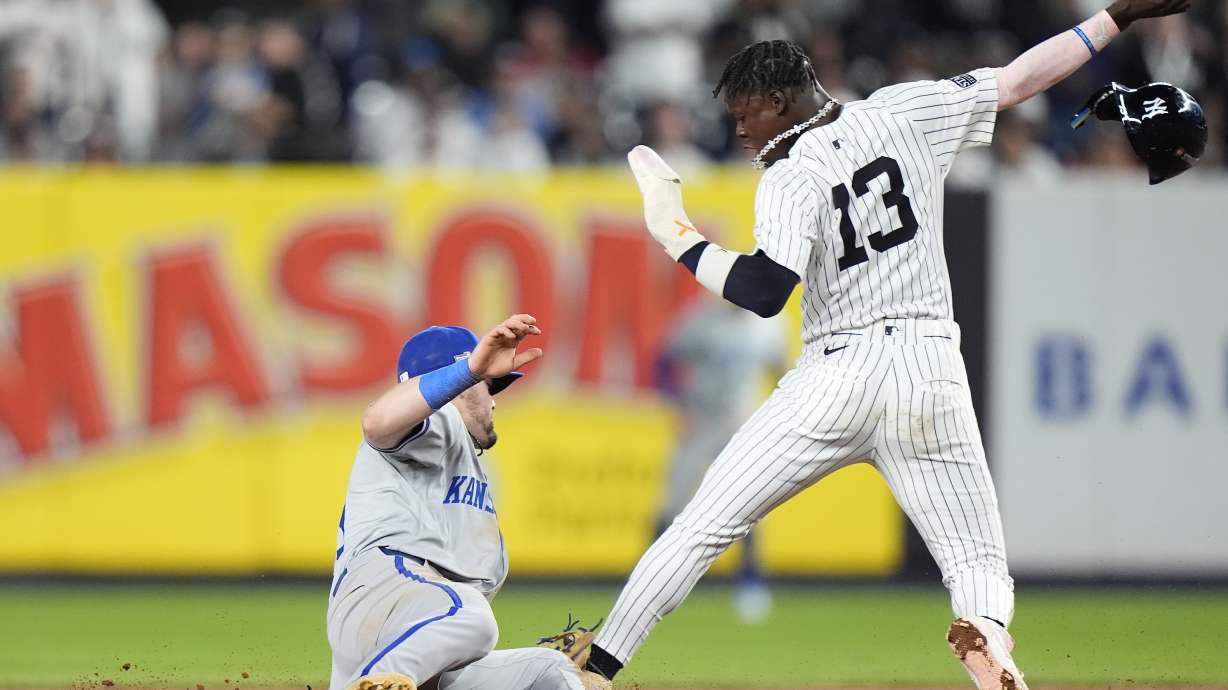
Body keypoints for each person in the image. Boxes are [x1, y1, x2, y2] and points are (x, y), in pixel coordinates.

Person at [581, 2, 1193, 689]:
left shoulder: (789, 174)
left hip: (836, 374)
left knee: (701, 527)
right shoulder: (905, 110)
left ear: (781, 101)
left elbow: (762, 291)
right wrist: (1115, 17)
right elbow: (1020, 79)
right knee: (977, 563)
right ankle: (989, 636)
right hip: (929, 364)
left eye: (747, 113)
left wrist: (678, 237)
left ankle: (599, 669)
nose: (742, 130)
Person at [327, 314, 608, 690]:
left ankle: (382, 678)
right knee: (473, 618)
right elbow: (376, 422)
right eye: (488, 385)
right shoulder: (439, 421)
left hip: (419, 631)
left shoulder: (470, 470)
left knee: (553, 671)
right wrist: (470, 369)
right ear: (457, 383)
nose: (493, 402)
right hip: (384, 593)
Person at [653, 300, 786, 623]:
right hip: (701, 420)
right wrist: (679, 405)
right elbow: (664, 361)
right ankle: (651, 582)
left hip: (740, 423)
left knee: (749, 502)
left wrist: (779, 416)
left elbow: (782, 372)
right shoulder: (702, 319)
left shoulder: (767, 322)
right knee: (675, 501)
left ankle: (750, 582)